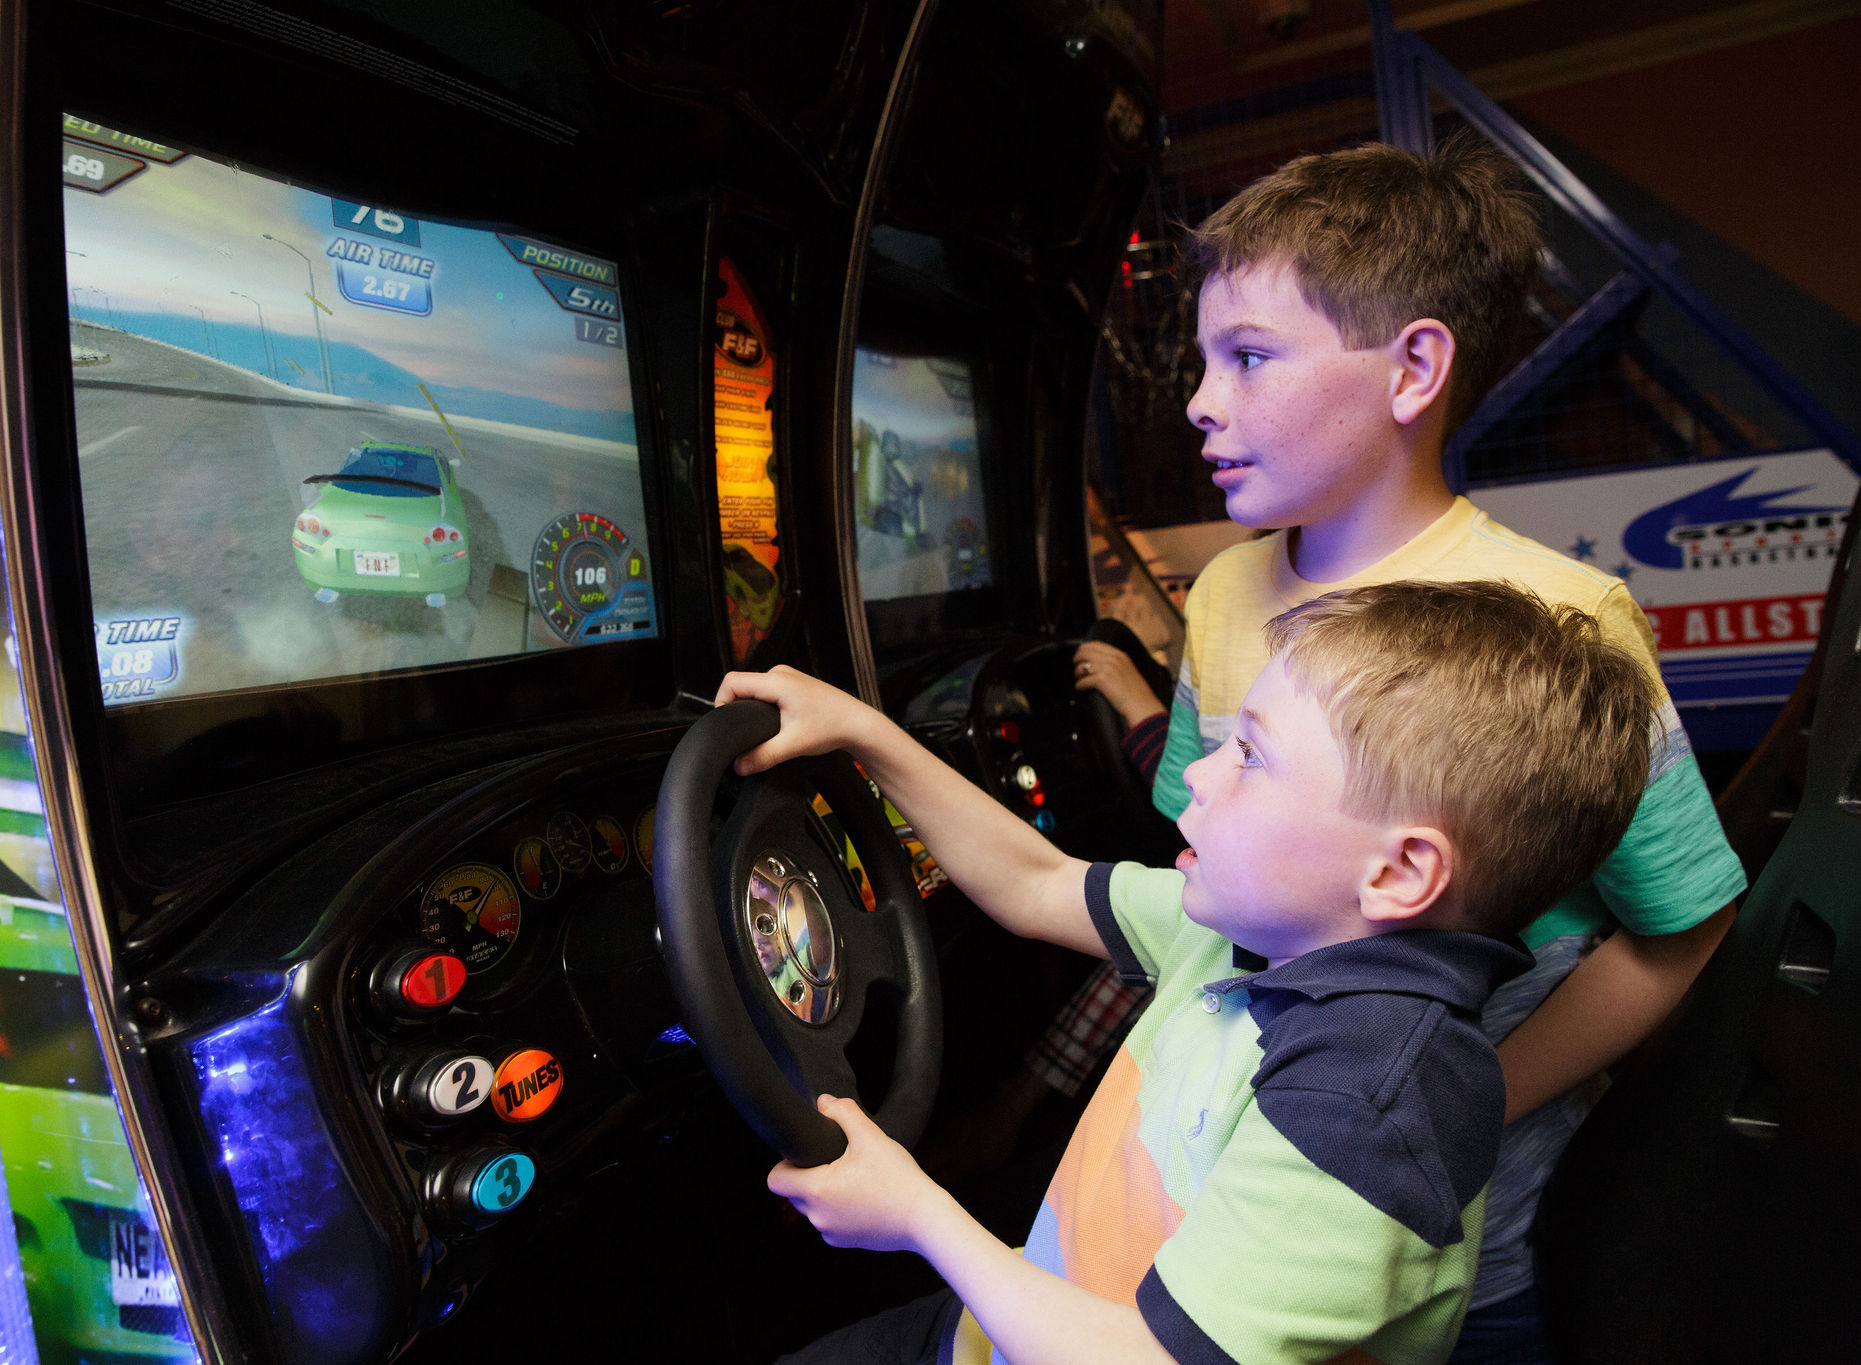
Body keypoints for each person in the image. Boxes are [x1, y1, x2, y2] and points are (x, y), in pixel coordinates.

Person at [1073, 135, 1747, 1358]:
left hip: (1455, 1216)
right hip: (1230, 1178)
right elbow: (1199, 874)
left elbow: (1682, 926)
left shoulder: (1559, 622)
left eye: (1249, 356)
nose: (1197, 400)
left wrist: (1481, 1107)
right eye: (1202, 358)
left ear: (1412, 367)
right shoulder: (1224, 595)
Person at [719, 579, 1660, 1365]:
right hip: (1011, 1323)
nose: (1201, 776)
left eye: (1251, 754)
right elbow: (1032, 878)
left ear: (1398, 872)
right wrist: (865, 734)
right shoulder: (1260, 932)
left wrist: (919, 1212)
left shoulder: (1371, 1100)